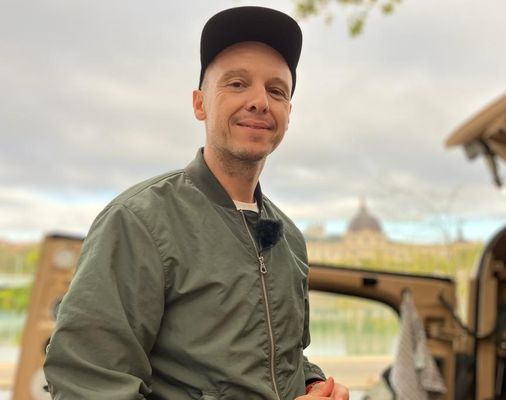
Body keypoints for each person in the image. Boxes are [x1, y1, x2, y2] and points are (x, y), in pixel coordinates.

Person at [43, 6, 350, 400]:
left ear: (288, 113)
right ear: (199, 104)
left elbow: (284, 358)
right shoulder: (139, 221)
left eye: (276, 91)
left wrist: (313, 384)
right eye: (237, 84)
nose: (259, 101)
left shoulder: (290, 238)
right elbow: (87, 386)